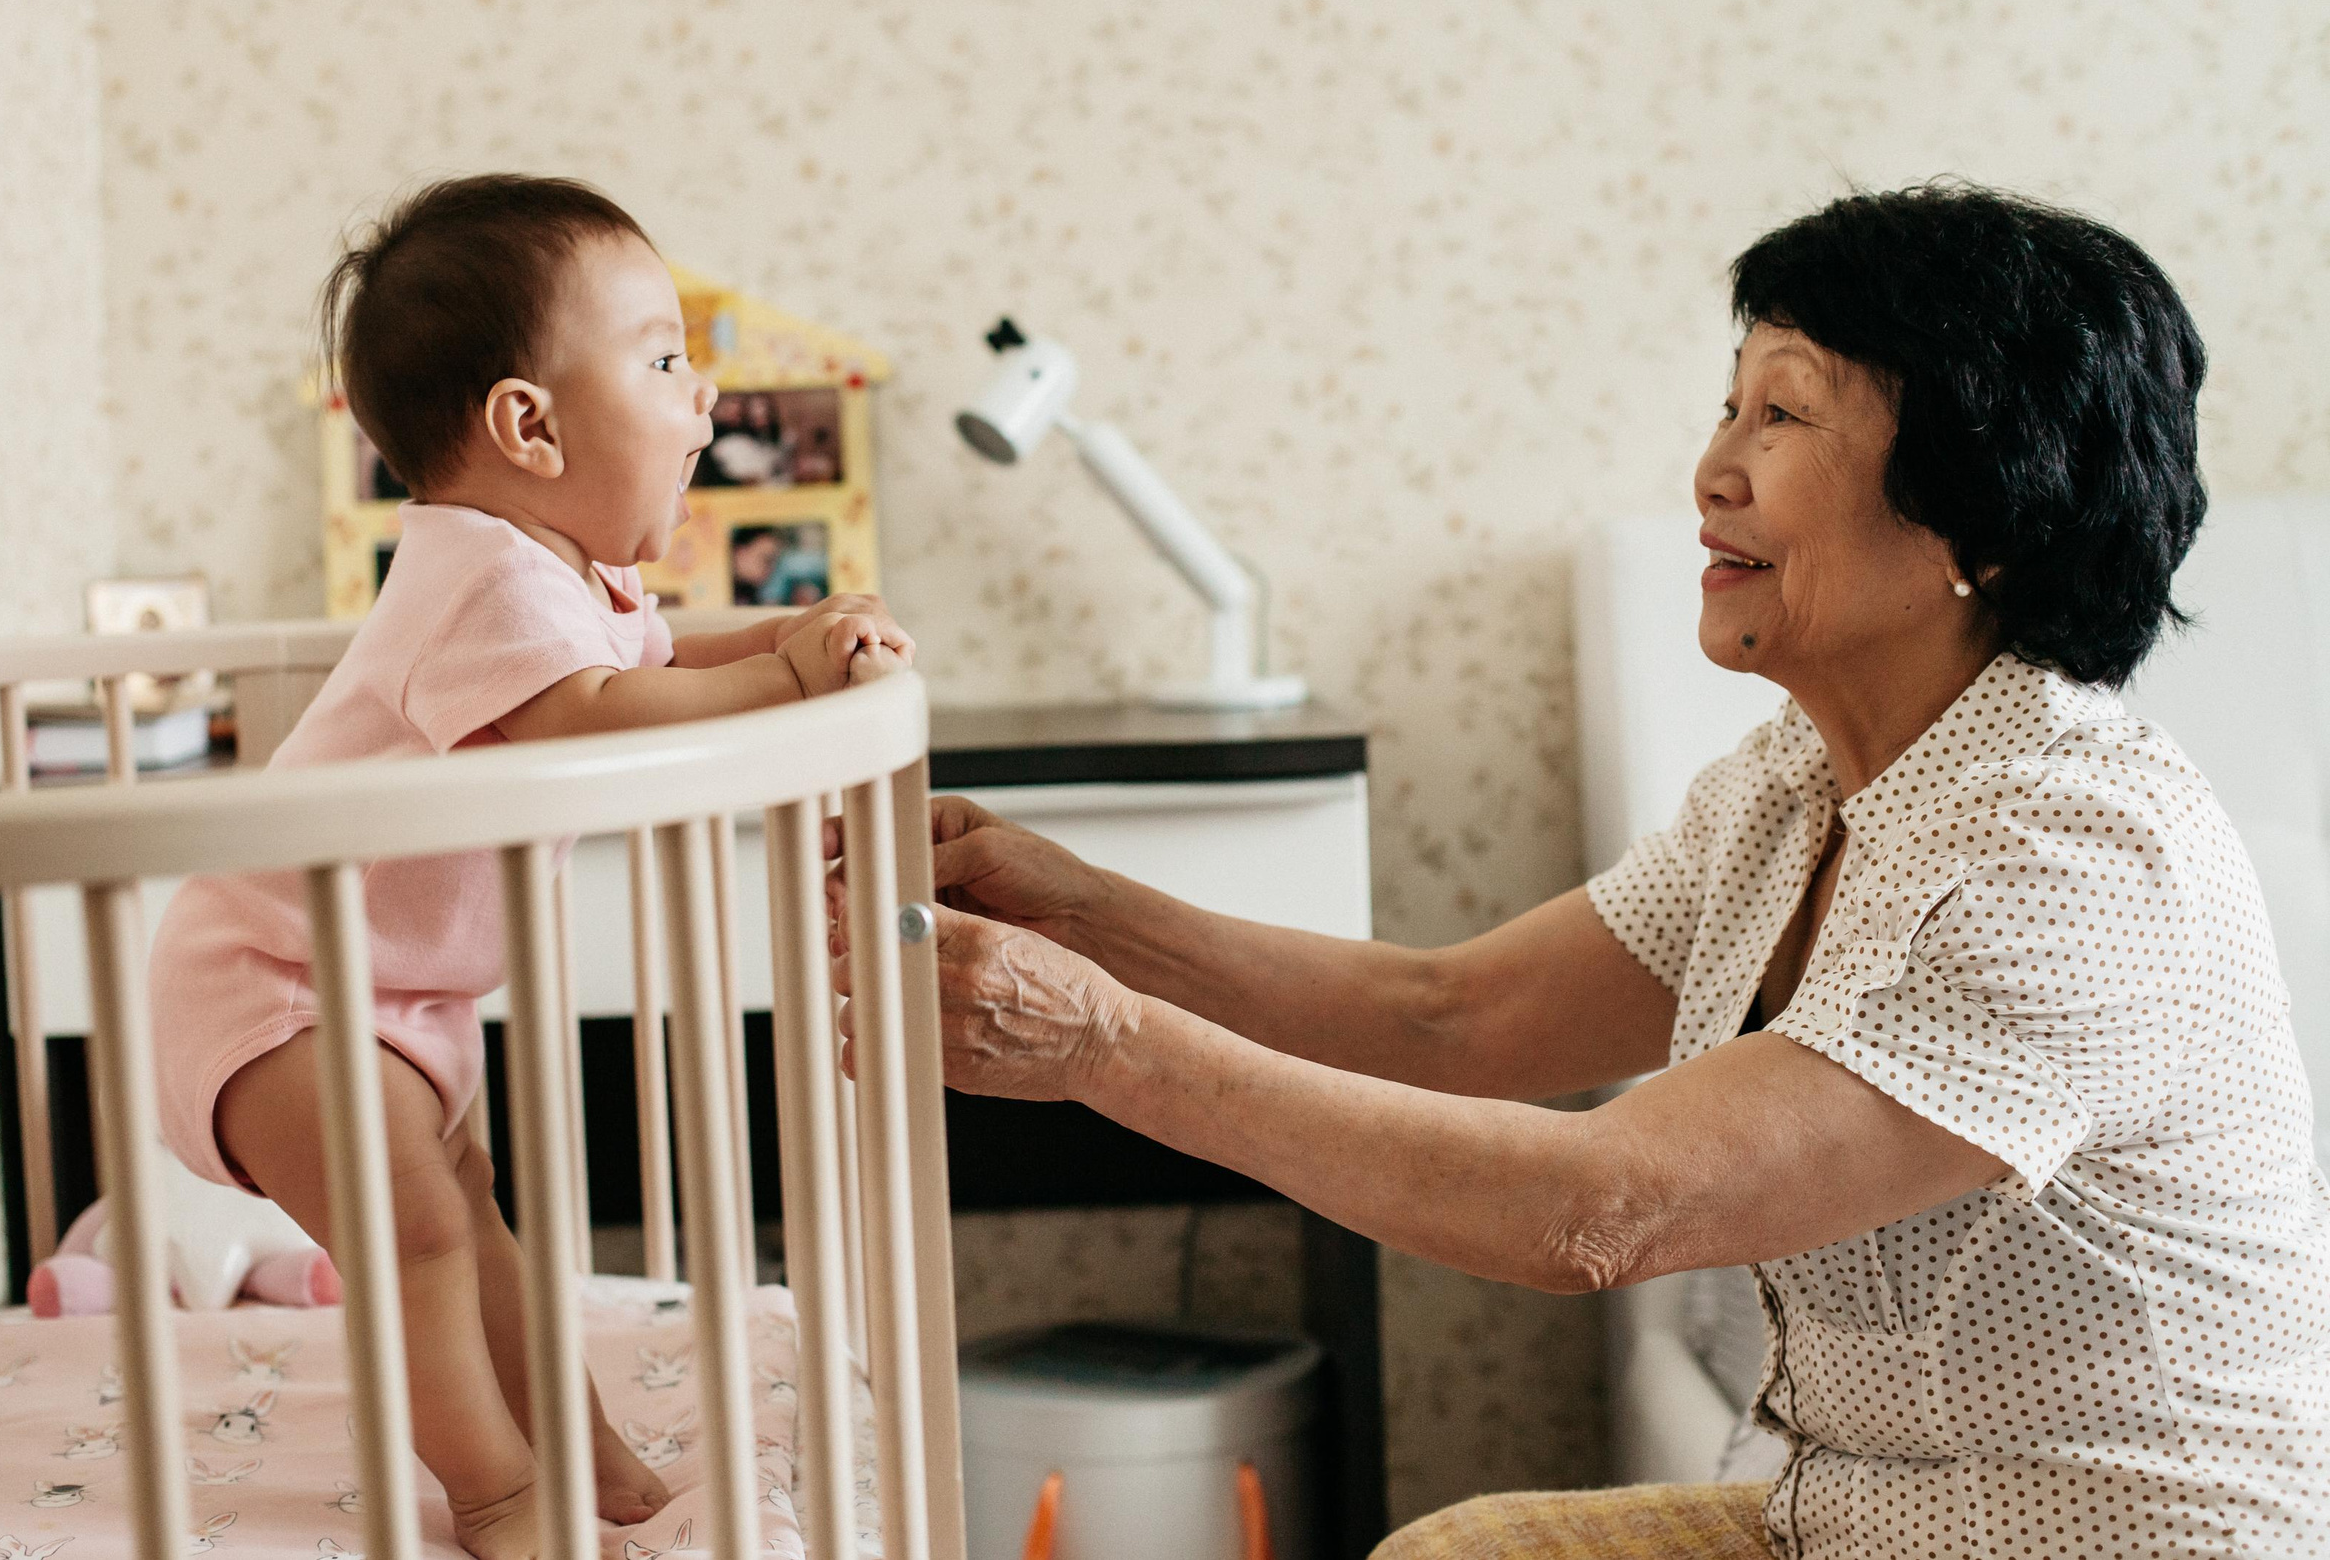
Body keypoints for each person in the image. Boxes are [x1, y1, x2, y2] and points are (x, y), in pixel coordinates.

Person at [849, 185, 2330, 1557]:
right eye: (1728, 403)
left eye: (1787, 415)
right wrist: (1086, 913)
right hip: (1860, 1524)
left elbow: (1600, 1206)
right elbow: (1454, 1017)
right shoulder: (1797, 786)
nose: (1715, 470)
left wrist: (1098, 1040)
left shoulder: (2065, 862)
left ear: (1984, 515)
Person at [148, 175, 912, 1560]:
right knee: (425, 1236)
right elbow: (595, 714)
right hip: (278, 982)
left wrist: (801, 634)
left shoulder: (564, 579)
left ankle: (587, 1450)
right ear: (529, 425)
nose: (706, 393)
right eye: (669, 358)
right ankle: (501, 1495)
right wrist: (796, 671)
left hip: (383, 991)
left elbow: (666, 658)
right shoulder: (486, 577)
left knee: (475, 1222)